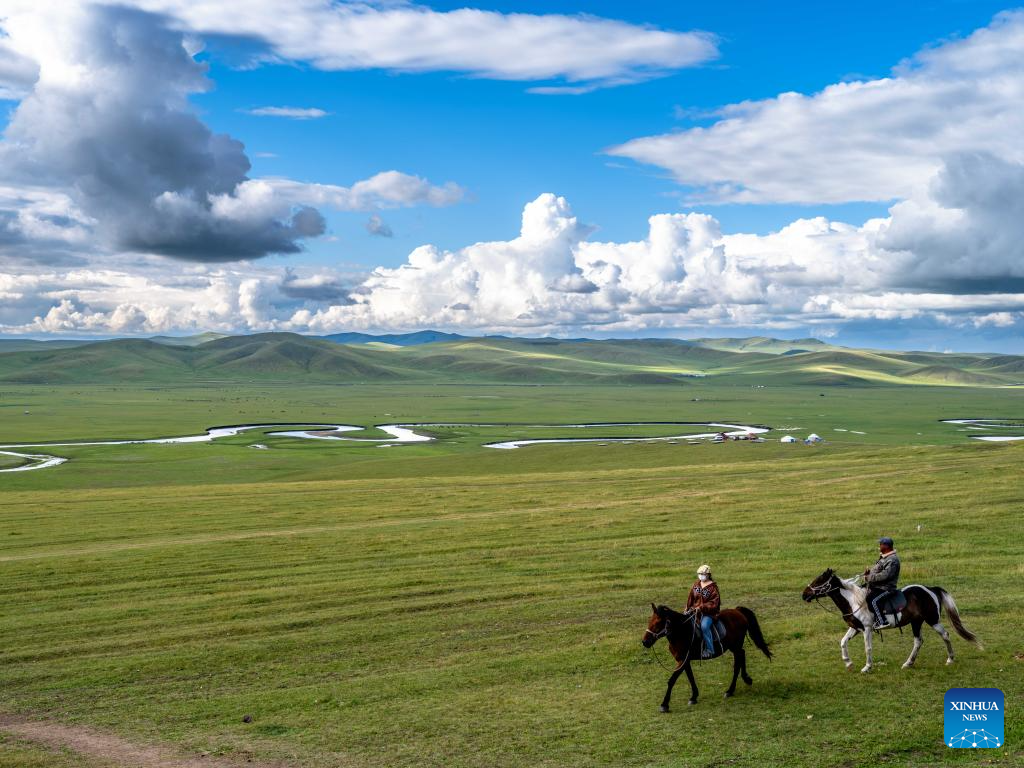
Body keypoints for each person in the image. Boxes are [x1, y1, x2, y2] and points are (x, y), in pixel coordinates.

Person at [864, 536, 901, 629]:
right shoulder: (884, 557)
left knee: (874, 601)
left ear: (886, 546)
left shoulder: (893, 560)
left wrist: (870, 577)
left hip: (887, 588)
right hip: (878, 587)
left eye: (881, 544)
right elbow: (878, 571)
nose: (879, 546)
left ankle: (882, 621)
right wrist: (869, 573)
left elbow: (885, 575)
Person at [686, 564, 720, 658]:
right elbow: (691, 597)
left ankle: (710, 649)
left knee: (704, 626)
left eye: (703, 574)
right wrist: (687, 608)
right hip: (694, 611)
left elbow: (714, 603)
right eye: (699, 574)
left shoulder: (713, 588)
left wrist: (701, 607)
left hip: (709, 614)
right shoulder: (696, 585)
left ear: (708, 575)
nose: (701, 576)